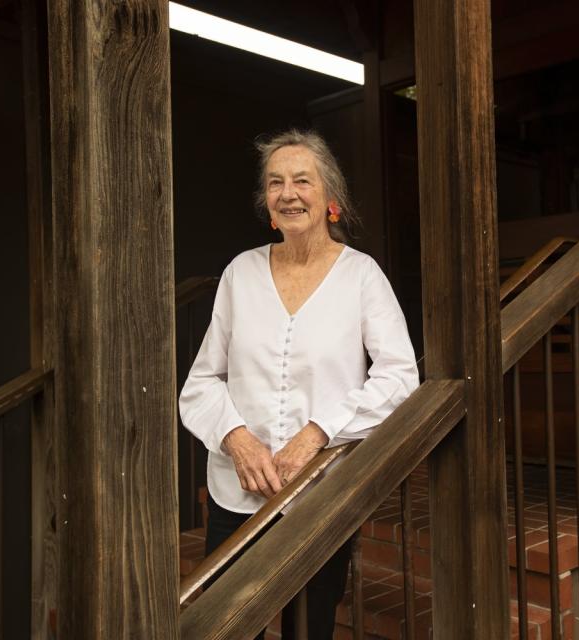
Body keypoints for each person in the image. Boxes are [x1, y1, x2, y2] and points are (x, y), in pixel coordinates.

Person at [179, 128, 420, 639]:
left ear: (330, 197)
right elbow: (201, 382)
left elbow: (400, 376)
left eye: (302, 181)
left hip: (320, 491)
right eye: (275, 183)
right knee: (224, 624)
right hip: (236, 490)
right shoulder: (240, 273)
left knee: (308, 629)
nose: (288, 193)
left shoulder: (362, 276)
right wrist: (237, 440)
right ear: (266, 201)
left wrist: (316, 434)